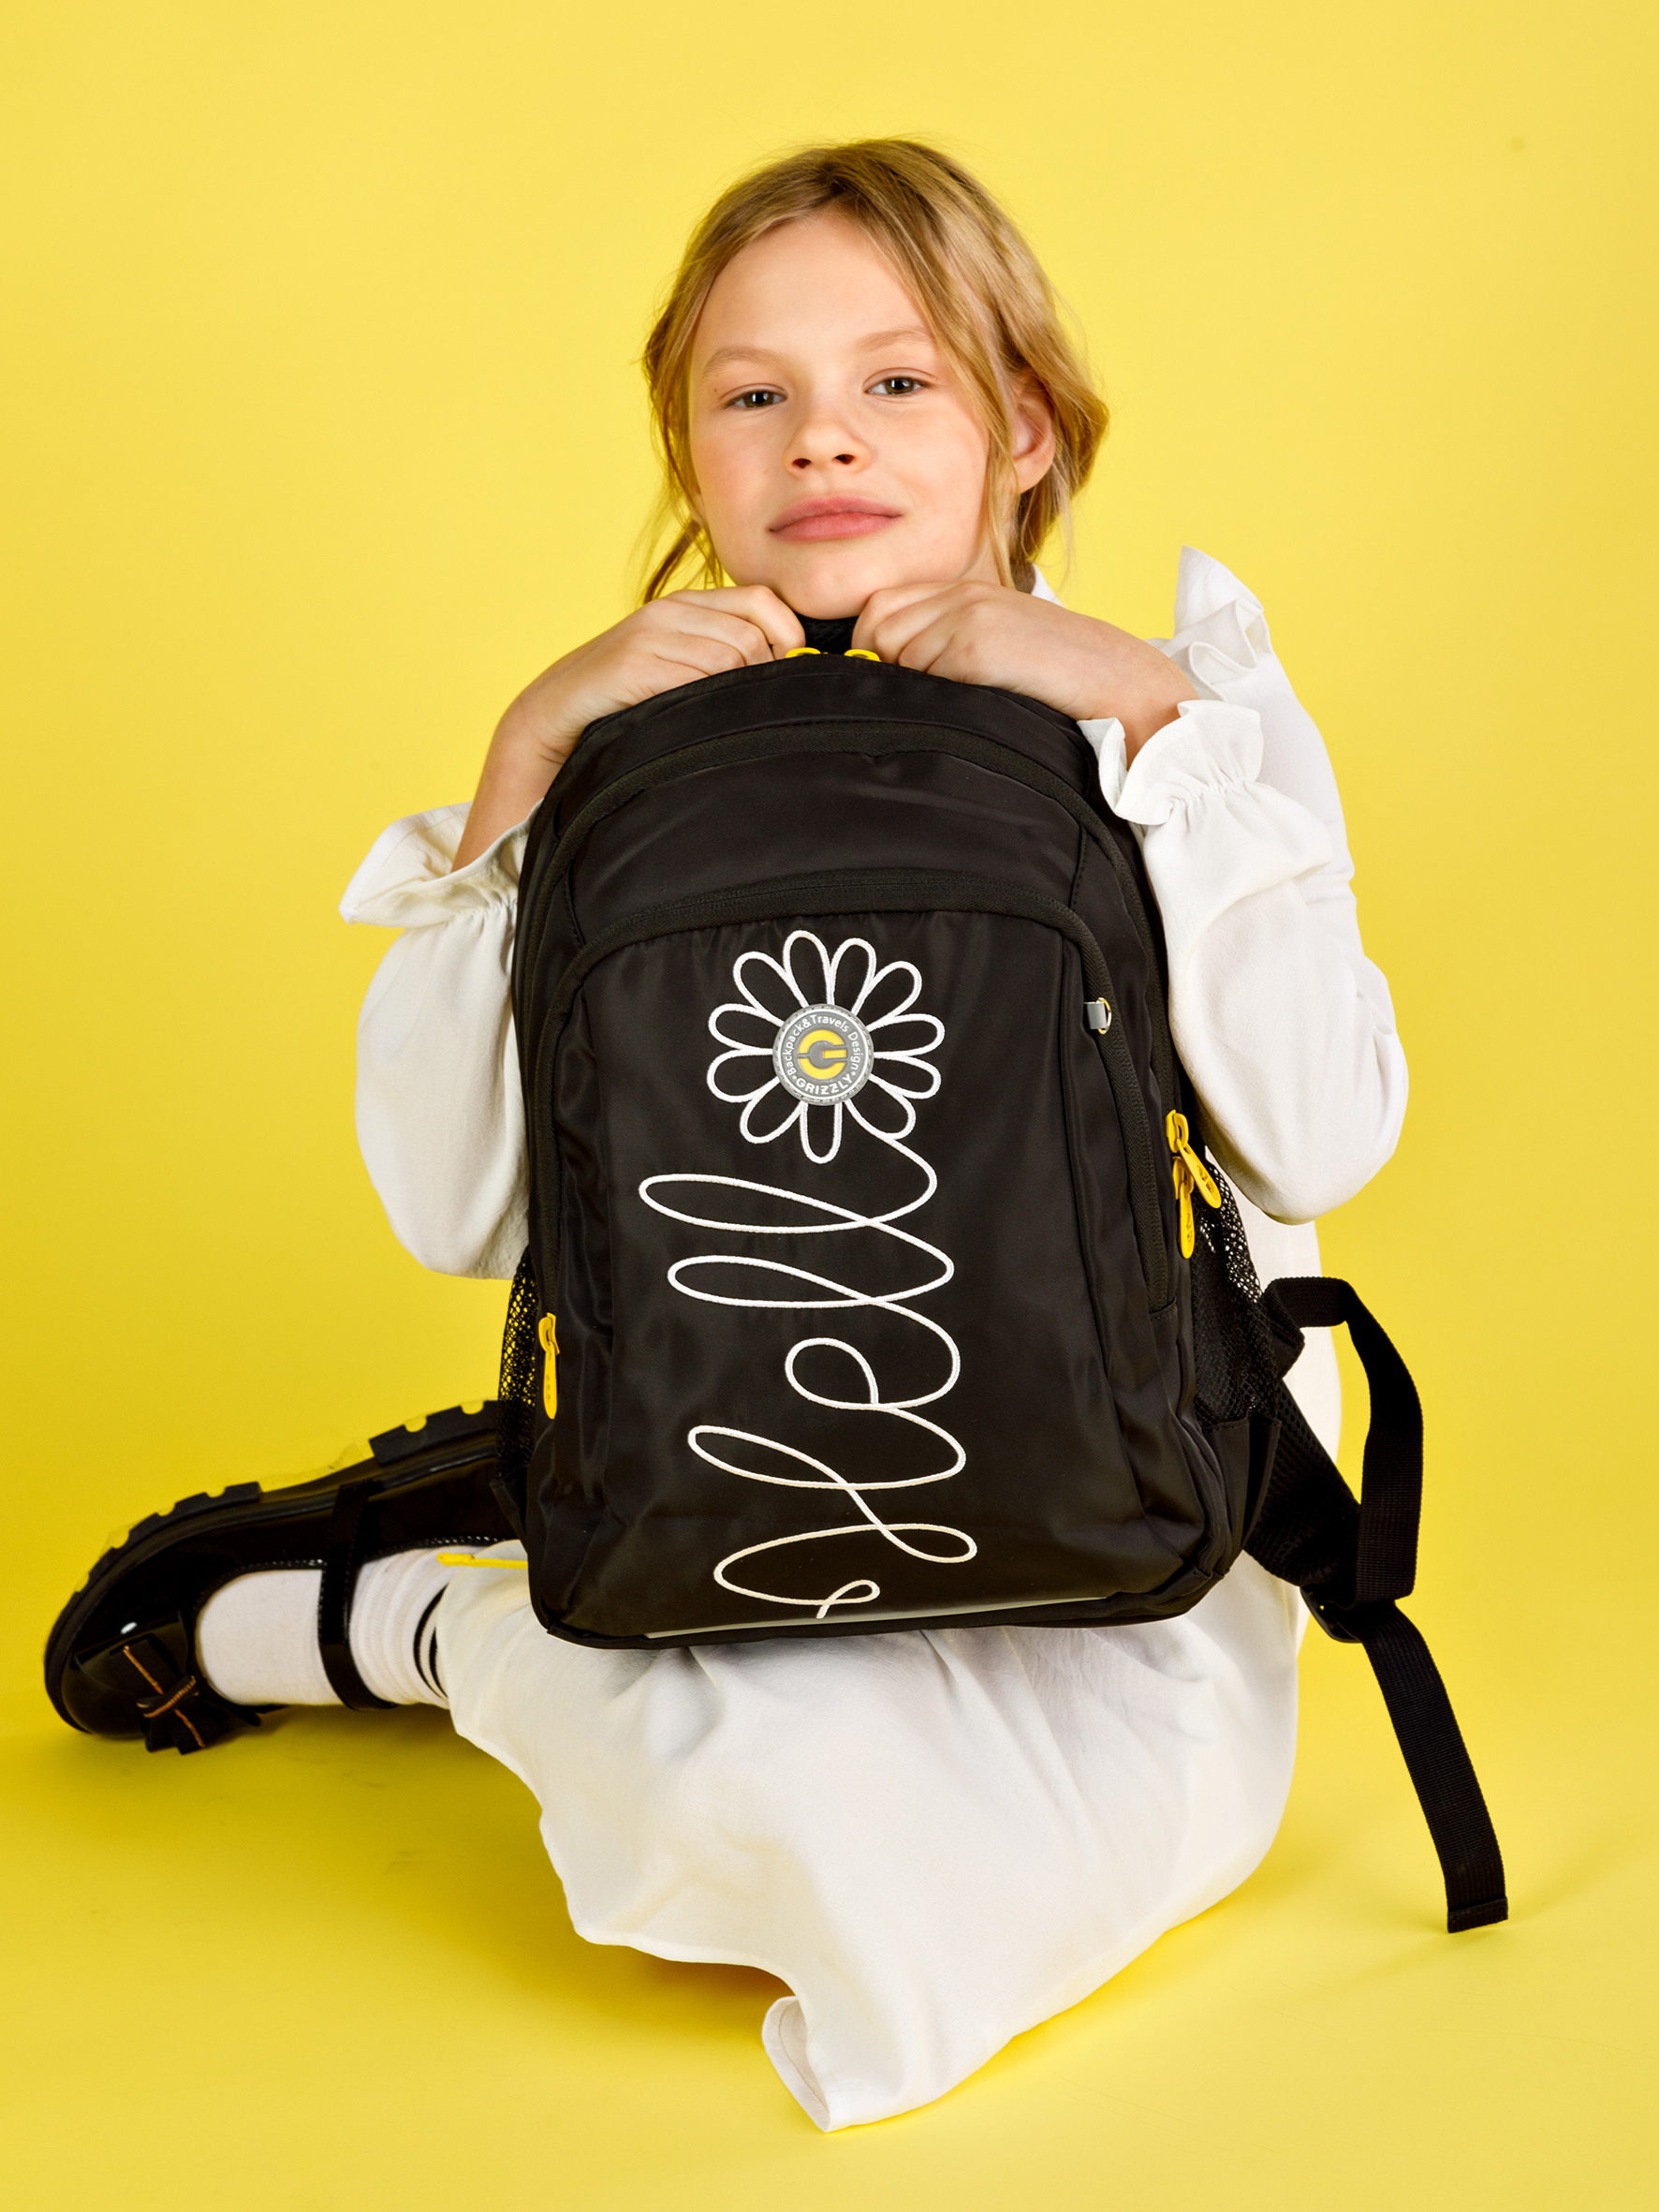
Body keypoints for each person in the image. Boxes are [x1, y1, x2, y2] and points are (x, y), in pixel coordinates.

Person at [48, 140, 1406, 2129]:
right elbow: (456, 1210)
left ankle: (420, 1604)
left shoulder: (1178, 712)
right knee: (759, 1810)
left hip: (1137, 1518)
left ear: (1026, 425)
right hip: (733, 1484)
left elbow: (1318, 1143)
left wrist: (1154, 727)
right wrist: (521, 773)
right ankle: (394, 1605)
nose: (820, 438)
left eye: (898, 380)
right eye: (751, 392)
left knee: (994, 1905)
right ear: (689, 451)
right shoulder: (622, 762)